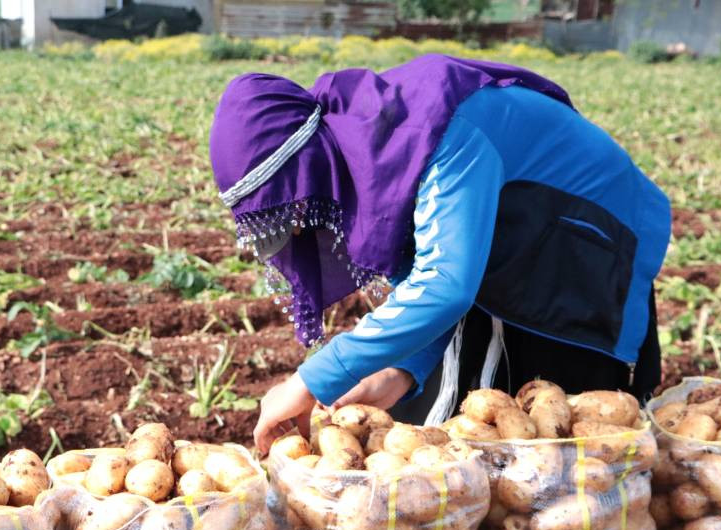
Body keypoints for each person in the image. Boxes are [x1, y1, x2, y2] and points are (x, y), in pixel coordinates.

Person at [208, 55, 670, 455]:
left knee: (561, 447)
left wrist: (307, 382)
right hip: (510, 254)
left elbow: (446, 286)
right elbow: (427, 267)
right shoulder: (375, 146)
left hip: (583, 252)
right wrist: (400, 371)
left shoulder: (438, 130)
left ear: (311, 164)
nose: (301, 222)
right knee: (466, 429)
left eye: (294, 201)